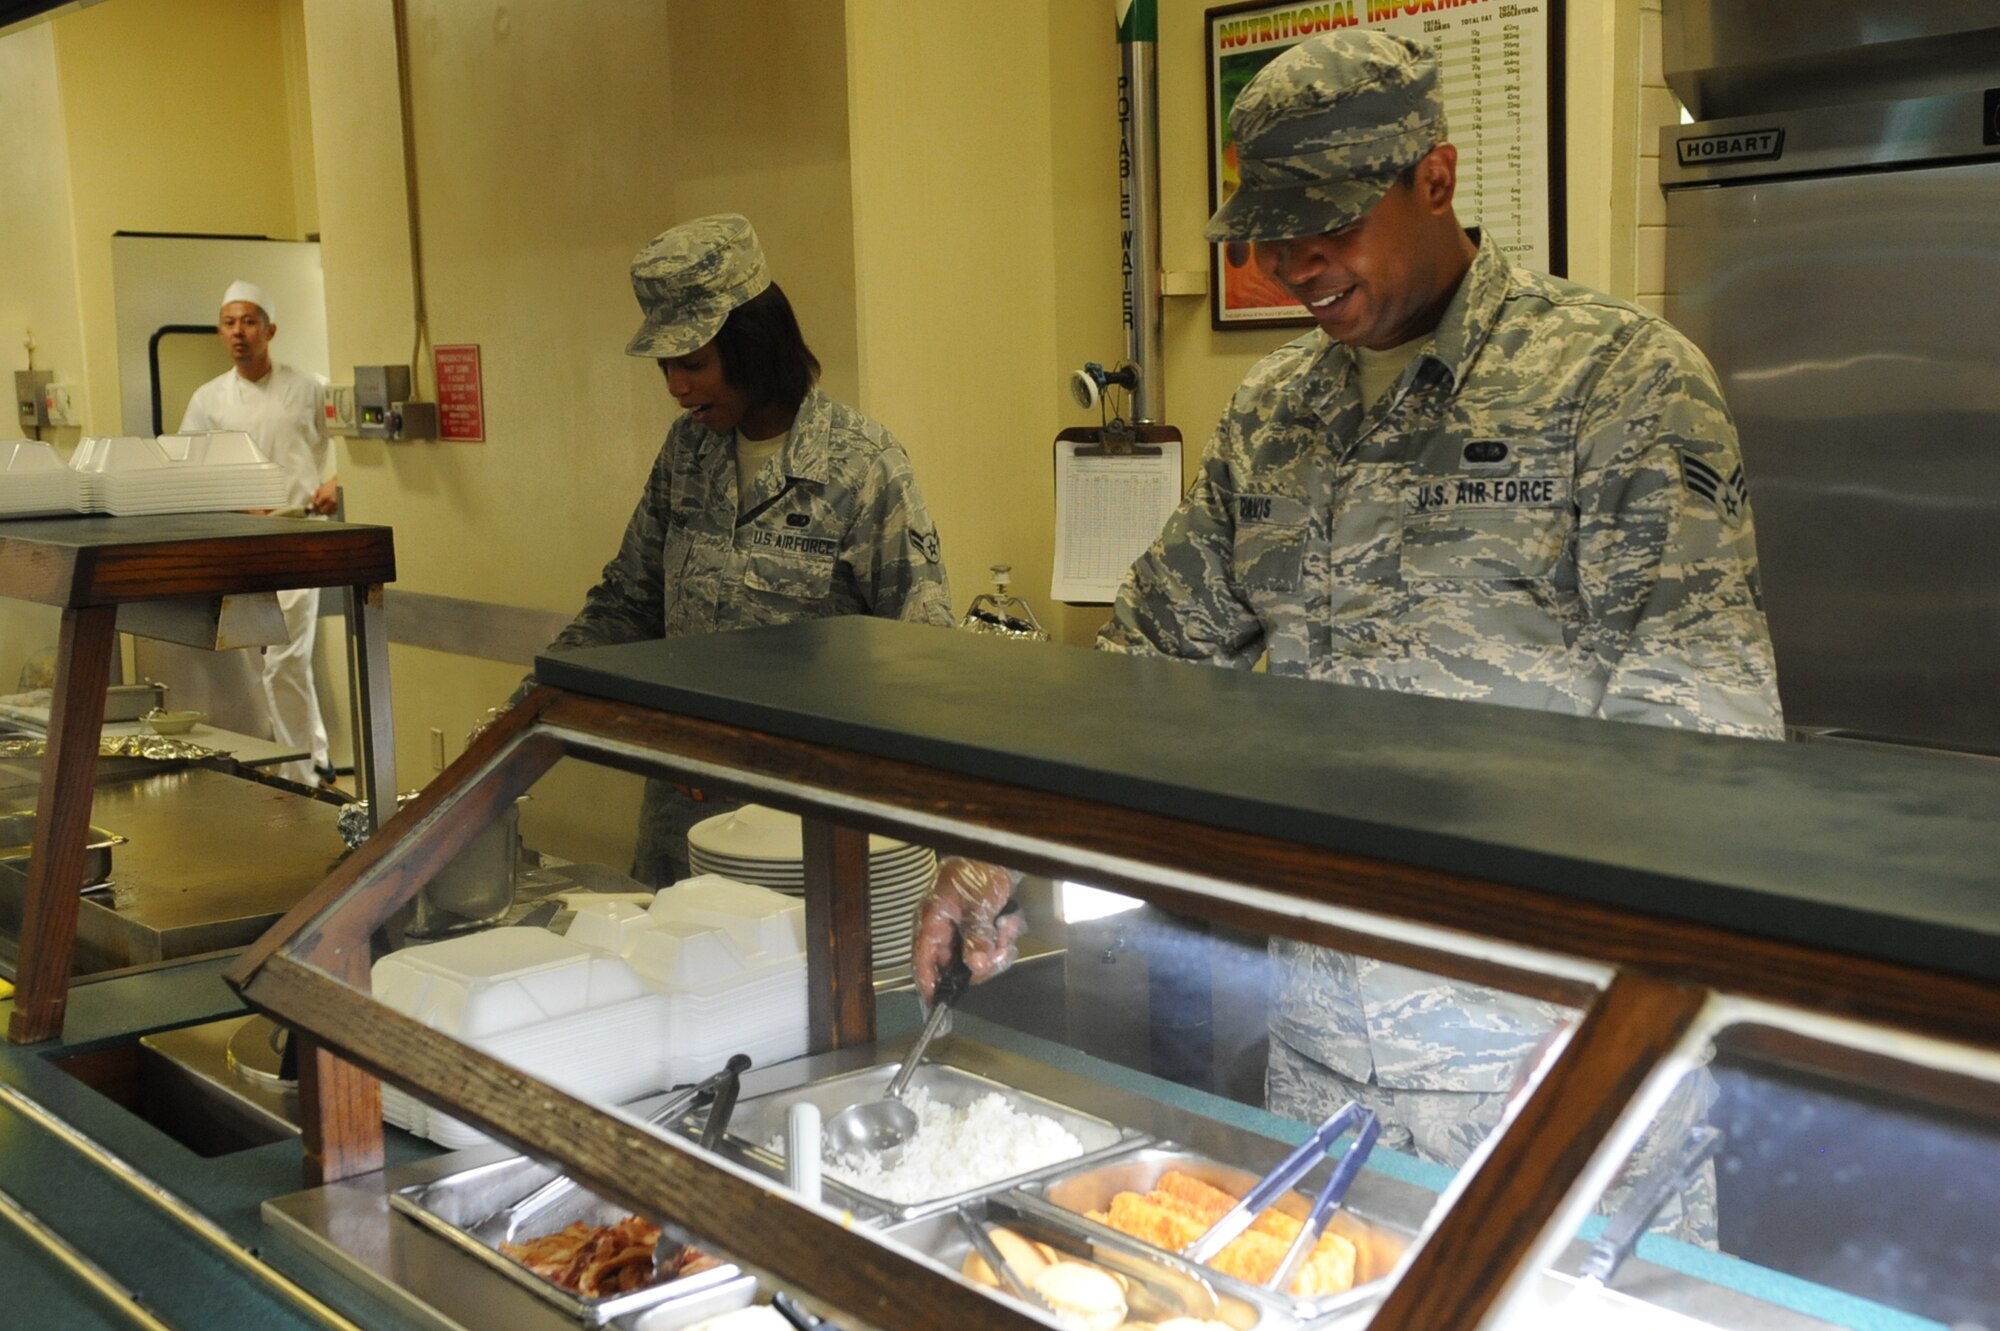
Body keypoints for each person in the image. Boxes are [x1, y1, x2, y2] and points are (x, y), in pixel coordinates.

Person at [914, 30, 1783, 1244]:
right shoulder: (1274, 414)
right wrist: (985, 859)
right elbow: (1140, 672)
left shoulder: (1618, 386)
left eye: (1325, 222)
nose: (1291, 263)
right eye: (1268, 231)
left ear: (1435, 176)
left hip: (1544, 1064)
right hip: (1321, 1064)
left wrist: (1604, 1024)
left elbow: (1705, 737)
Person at [533, 214, 954, 885]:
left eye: (694, 362)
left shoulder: (862, 467)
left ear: (755, 345)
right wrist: (530, 705)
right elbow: (627, 604)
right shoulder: (686, 455)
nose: (676, 386)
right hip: (685, 833)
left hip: (807, 842)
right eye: (667, 366)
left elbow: (926, 660)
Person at [179, 280, 337, 788]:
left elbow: (344, 447)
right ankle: (310, 753)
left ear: (270, 329)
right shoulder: (208, 400)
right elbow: (189, 465)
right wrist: (234, 504)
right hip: (241, 540)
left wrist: (335, 480)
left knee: (287, 658)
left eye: (248, 321)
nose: (238, 332)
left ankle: (300, 773)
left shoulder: (309, 387)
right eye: (229, 323)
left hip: (299, 537)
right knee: (257, 661)